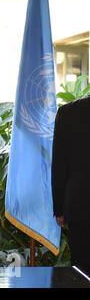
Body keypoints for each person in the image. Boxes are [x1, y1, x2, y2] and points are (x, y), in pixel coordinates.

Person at [52, 98, 90, 274]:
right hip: (80, 206)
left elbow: (59, 164)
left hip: (79, 204)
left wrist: (59, 208)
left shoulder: (67, 112)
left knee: (81, 270)